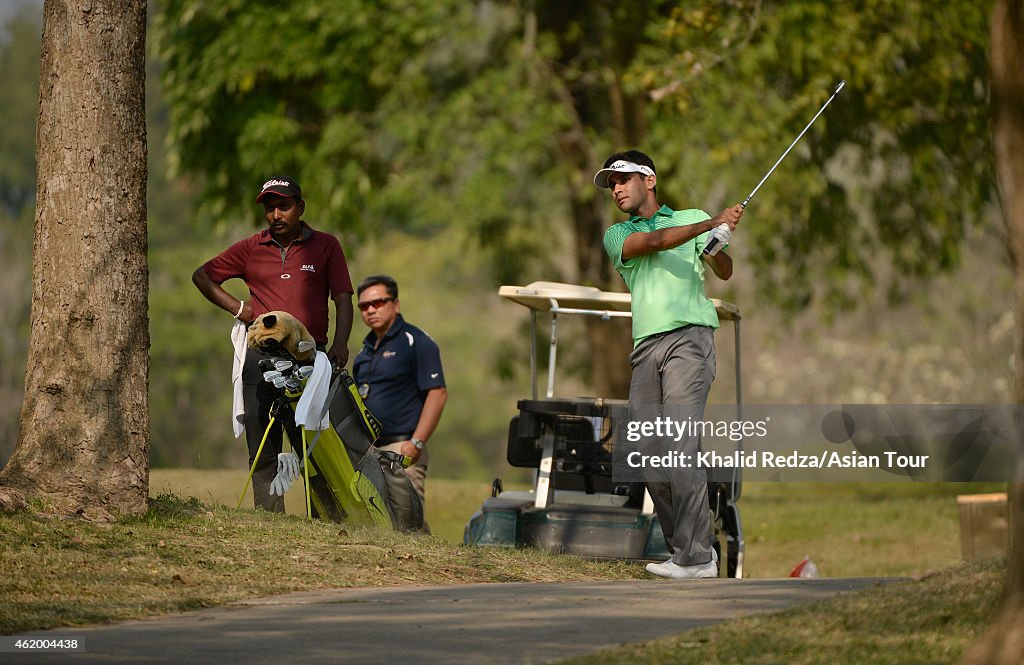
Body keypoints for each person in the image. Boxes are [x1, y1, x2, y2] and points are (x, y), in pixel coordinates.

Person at [594, 150, 743, 579]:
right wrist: (709, 223)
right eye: (612, 184)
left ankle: (697, 558)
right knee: (645, 454)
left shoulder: (692, 217)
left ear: (650, 179)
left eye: (623, 179)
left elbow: (725, 272)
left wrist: (718, 243)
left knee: (679, 444)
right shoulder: (617, 234)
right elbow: (656, 243)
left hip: (689, 341)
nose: (617, 189)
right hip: (645, 349)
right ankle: (690, 553)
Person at [193, 176, 354, 511]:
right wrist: (239, 308)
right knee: (263, 444)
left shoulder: (326, 246)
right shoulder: (252, 248)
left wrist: (341, 342)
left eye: (284, 206)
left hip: (309, 357)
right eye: (270, 208)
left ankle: (331, 518)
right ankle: (270, 518)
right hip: (261, 358)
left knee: (314, 446)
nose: (277, 214)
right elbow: (203, 276)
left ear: (300, 207)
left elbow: (342, 298)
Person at [351, 274, 447, 509]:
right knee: (378, 523)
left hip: (402, 447)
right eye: (364, 306)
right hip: (370, 451)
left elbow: (438, 393)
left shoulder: (416, 341)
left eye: (378, 302)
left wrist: (416, 443)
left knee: (407, 524)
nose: (371, 310)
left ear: (396, 304)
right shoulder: (363, 353)